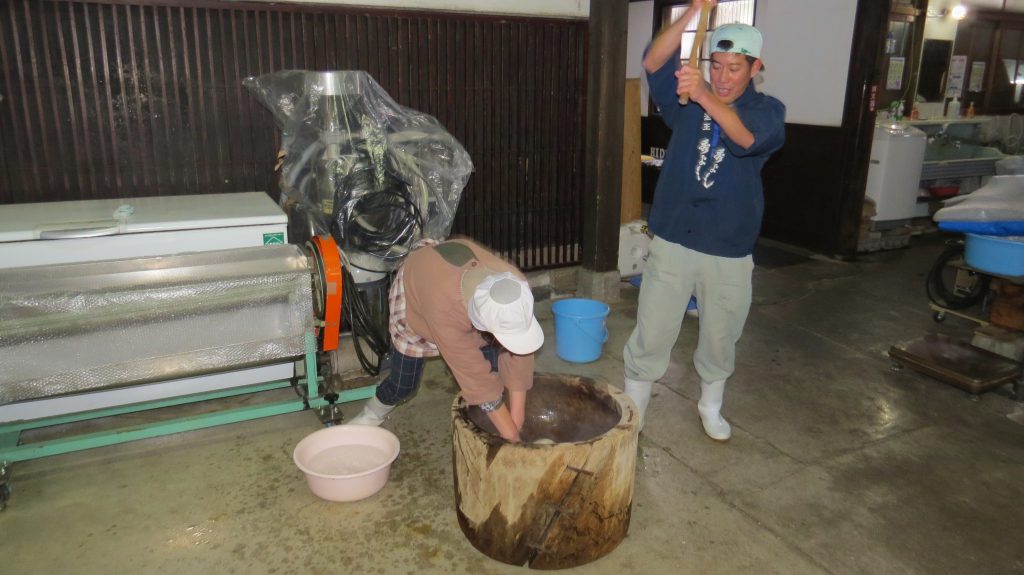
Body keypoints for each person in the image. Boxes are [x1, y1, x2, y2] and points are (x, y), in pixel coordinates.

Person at [623, 0, 785, 441]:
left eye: (735, 68)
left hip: (729, 245)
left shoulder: (767, 110)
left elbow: (745, 138)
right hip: (674, 237)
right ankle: (634, 412)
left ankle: (710, 406)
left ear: (755, 68)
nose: (723, 76)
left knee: (719, 335)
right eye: (717, 65)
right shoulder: (687, 102)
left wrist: (704, 94)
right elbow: (654, 59)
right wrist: (693, 11)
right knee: (652, 329)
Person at [348, 238, 544, 442]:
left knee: (493, 370)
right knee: (403, 386)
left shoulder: (517, 288)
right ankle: (370, 415)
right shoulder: (446, 311)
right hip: (418, 290)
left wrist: (517, 420)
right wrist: (514, 438)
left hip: (454, 289)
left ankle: (499, 423)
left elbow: (519, 355)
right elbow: (478, 381)